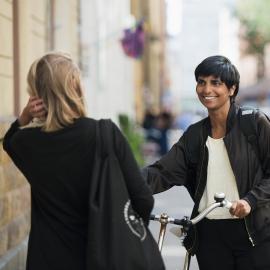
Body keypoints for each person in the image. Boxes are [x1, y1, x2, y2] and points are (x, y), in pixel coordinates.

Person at [3, 52, 157, 270]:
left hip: (47, 260)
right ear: (76, 89)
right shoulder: (105, 134)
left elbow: (9, 141)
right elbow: (143, 200)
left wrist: (24, 117)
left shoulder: (28, 143)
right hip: (102, 257)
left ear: (37, 95)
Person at [142, 55, 270, 270]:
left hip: (254, 232)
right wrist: (122, 183)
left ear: (232, 89)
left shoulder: (254, 123)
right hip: (210, 235)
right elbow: (162, 172)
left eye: (215, 82)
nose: (206, 89)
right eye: (201, 82)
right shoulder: (195, 135)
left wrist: (250, 200)